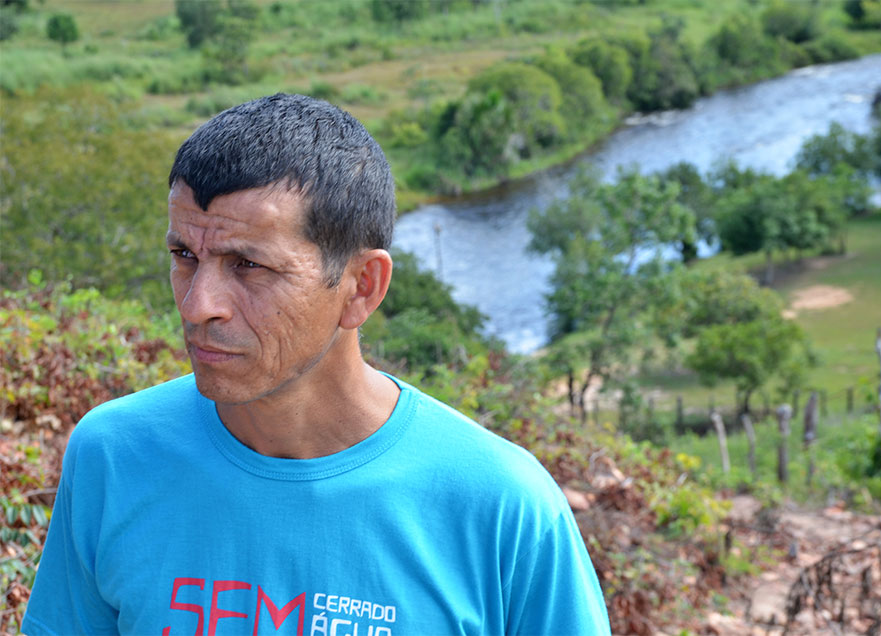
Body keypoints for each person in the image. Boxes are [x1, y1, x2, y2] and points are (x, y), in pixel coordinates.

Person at [22, 93, 610, 636]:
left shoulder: (500, 505)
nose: (199, 305)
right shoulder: (114, 454)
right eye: (184, 255)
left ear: (361, 286)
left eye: (248, 266)